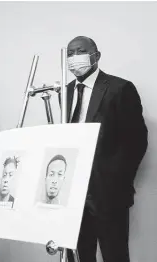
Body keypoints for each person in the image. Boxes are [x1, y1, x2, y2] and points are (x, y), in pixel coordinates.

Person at [65, 36, 148, 262]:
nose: (74, 58)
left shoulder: (120, 88)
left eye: (79, 51)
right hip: (73, 193)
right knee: (80, 254)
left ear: (96, 56)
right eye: (69, 54)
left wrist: (116, 181)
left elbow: (137, 141)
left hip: (107, 192)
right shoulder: (66, 92)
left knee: (115, 254)